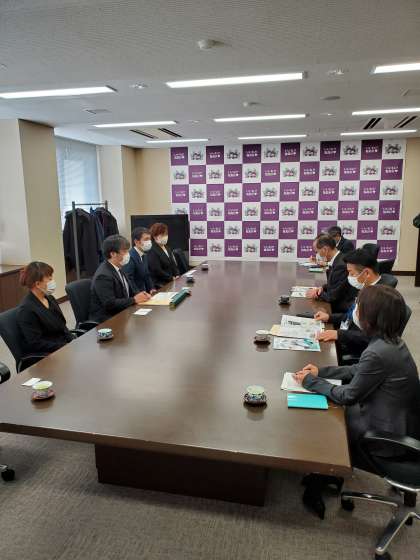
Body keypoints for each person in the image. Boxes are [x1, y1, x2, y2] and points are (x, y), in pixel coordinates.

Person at [295, 285, 420, 517]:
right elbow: (358, 370)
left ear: (371, 317)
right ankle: (324, 476)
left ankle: (317, 485)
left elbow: (349, 395)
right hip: (400, 422)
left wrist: (311, 382)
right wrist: (322, 372)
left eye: (359, 307)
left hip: (386, 438)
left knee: (330, 421)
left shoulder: (378, 351)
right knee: (332, 406)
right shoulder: (391, 342)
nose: (355, 311)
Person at [314, 249, 399, 358]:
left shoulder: (380, 299)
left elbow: (374, 338)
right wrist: (329, 317)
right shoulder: (366, 287)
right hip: (349, 333)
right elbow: (352, 316)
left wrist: (339, 334)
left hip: (359, 348)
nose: (349, 277)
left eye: (351, 273)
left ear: (366, 273)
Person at [17, 261, 75, 355]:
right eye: (49, 278)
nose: (52, 280)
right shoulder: (26, 310)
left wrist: (72, 339)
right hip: (47, 354)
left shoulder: (50, 298)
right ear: (37, 284)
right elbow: (36, 343)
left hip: (62, 346)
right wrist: (64, 347)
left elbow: (62, 326)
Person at [89, 235, 150, 323]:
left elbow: (129, 290)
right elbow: (110, 304)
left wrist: (140, 294)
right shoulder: (103, 275)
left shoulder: (119, 266)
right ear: (113, 254)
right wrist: (134, 299)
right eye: (125, 251)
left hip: (122, 311)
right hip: (107, 319)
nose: (128, 254)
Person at [306, 235, 357, 313]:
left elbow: (332, 297)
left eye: (317, 252)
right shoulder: (338, 259)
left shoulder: (341, 265)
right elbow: (336, 284)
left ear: (325, 250)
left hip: (341, 309)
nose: (317, 255)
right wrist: (322, 288)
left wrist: (317, 293)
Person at [122, 227, 156, 295]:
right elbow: (129, 280)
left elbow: (147, 275)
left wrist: (152, 288)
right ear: (136, 242)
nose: (149, 242)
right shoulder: (130, 257)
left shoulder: (144, 254)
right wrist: (139, 294)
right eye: (146, 239)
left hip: (145, 293)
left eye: (150, 239)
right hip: (136, 295)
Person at [147, 223, 180, 288]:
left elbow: (173, 264)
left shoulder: (167, 248)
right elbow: (157, 270)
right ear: (155, 236)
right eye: (162, 235)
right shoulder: (152, 249)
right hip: (161, 283)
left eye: (166, 234)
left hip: (172, 280)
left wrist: (177, 275)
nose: (165, 236)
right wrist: (171, 278)